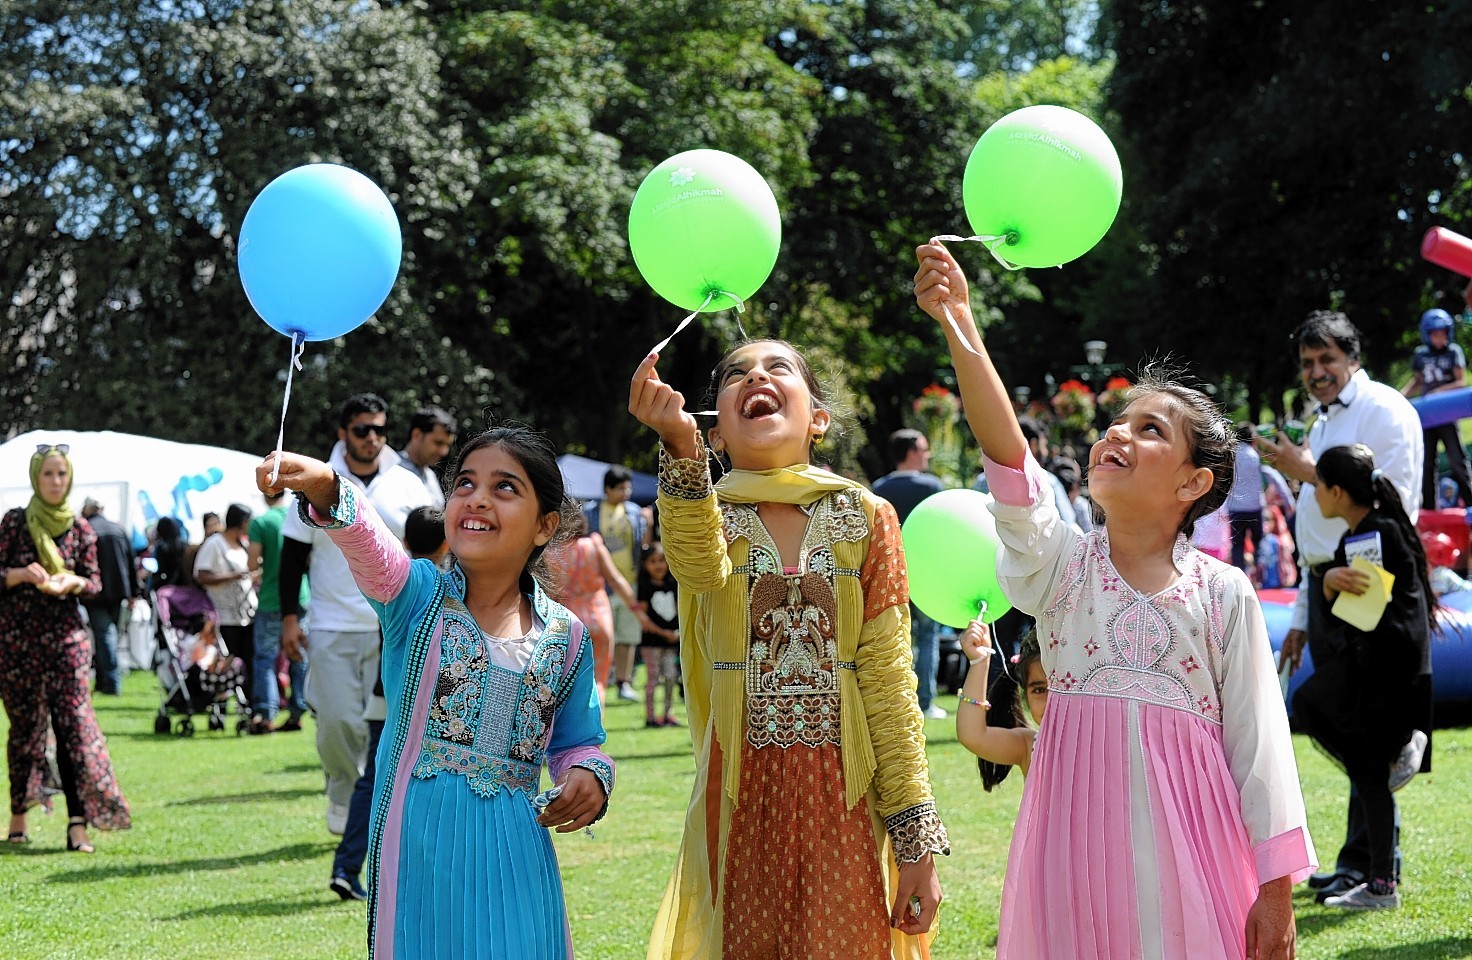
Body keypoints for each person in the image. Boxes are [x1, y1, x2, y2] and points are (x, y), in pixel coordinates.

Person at [915, 241, 1313, 960]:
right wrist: (960, 325)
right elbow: (1010, 458)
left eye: (1149, 429)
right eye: (1118, 420)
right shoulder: (1063, 567)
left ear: (1193, 484)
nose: (1116, 432)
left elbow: (1260, 746)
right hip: (1071, 855)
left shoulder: (1225, 594)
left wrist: (1276, 889)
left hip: (1197, 855)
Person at [630, 339, 948, 958]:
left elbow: (887, 679)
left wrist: (916, 840)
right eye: (736, 375)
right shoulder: (701, 507)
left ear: (818, 418)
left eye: (777, 368)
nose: (756, 378)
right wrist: (676, 448)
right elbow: (696, 566)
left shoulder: (868, 515)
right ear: (714, 430)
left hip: (847, 792)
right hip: (740, 788)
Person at [257, 424, 614, 960]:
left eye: (505, 487)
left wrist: (589, 774)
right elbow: (370, 545)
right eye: (465, 484)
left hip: (519, 851)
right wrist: (330, 486)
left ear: (545, 526)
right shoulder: (417, 597)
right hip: (420, 847)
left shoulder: (567, 638)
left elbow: (578, 741)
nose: (477, 499)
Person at [1259, 309, 1423, 903]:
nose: (1316, 372)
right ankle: (1359, 863)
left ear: (1353, 357)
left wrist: (1302, 470)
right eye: (1307, 363)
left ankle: (1379, 863)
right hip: (1330, 584)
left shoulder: (1384, 410)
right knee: (1352, 721)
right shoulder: (1324, 421)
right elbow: (1317, 527)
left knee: (1364, 724)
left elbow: (1393, 504)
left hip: (1368, 586)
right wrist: (1305, 614)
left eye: (1327, 359)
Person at [278, 393, 433, 838]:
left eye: (380, 430)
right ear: (343, 433)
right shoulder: (317, 481)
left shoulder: (409, 481)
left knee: (396, 727)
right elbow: (292, 557)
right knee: (338, 721)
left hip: (398, 624)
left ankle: (378, 808)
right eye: (362, 429)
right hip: (332, 622)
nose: (373, 438)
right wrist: (290, 618)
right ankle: (343, 787)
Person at [1293, 444, 1433, 910]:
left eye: (1316, 486)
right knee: (1366, 769)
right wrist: (1330, 580)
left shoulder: (1368, 538)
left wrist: (1330, 582)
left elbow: (1363, 613)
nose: (1312, 495)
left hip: (1385, 672)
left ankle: (1380, 886)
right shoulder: (1369, 534)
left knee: (1326, 718)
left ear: (1335, 491)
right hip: (1388, 667)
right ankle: (1379, 884)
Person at [0, 444, 130, 851]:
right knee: (24, 731)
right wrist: (20, 574)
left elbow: (95, 584)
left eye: (62, 475)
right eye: (48, 475)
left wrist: (73, 583)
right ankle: (18, 816)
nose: (56, 482)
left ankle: (78, 825)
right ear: (36, 477)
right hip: (18, 643)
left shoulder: (81, 528)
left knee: (72, 729)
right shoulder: (15, 524)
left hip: (66, 643)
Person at [330, 505, 448, 903]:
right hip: (412, 710)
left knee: (373, 786)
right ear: (448, 542)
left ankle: (348, 867)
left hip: (385, 703)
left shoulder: (397, 581)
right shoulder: (431, 587)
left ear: (406, 542)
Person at [872, 428, 949, 719]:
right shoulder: (932, 487)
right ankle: (925, 703)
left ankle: (896, 702)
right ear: (912, 452)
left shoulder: (879, 487)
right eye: (924, 449)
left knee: (896, 637)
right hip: (926, 573)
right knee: (927, 637)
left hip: (891, 573)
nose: (927, 454)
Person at [544, 511, 644, 712]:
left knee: (566, 685)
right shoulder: (594, 546)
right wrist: (636, 608)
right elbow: (615, 579)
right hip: (599, 618)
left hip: (568, 623)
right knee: (599, 681)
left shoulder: (551, 553)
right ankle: (595, 736)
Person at [582, 466, 648, 701]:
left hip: (630, 583)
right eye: (621, 488)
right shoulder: (590, 511)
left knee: (627, 636)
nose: (626, 492)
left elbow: (644, 546)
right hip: (599, 586)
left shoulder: (635, 512)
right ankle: (598, 679)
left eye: (628, 487)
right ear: (607, 489)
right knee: (600, 636)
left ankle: (624, 682)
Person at [247, 490, 310, 734]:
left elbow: (252, 564)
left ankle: (266, 713)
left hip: (272, 599)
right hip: (301, 596)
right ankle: (298, 711)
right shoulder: (298, 517)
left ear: (264, 495)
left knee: (265, 658)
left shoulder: (261, 522)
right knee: (299, 655)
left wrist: (264, 566)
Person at [955, 622, 1045, 791]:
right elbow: (973, 736)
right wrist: (979, 662)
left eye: (1064, 687)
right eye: (1040, 690)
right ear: (1025, 695)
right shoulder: (1029, 746)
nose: (1053, 701)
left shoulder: (1108, 741)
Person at [1402, 307, 1472, 509]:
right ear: (1427, 334)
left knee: (1457, 459)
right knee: (1426, 462)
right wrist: (1400, 397)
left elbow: (1461, 382)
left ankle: (1470, 502)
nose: (1439, 338)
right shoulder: (1421, 355)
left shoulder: (1453, 351)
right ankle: (1430, 507)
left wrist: (1437, 393)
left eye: (1442, 333)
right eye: (1435, 334)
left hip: (1447, 414)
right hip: (1427, 417)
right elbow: (1417, 381)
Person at [194, 503, 258, 706]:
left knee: (248, 661)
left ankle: (248, 704)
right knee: (226, 661)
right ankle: (221, 705)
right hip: (224, 615)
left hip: (247, 614)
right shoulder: (215, 544)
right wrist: (232, 576)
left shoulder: (243, 544)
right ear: (243, 522)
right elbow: (201, 575)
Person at [80, 498, 140, 696]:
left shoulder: (87, 529)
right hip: (119, 591)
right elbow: (131, 563)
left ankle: (111, 683)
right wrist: (134, 592)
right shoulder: (118, 529)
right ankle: (104, 681)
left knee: (104, 635)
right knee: (107, 635)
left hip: (95, 593)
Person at [636, 542, 680, 728]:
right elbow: (644, 618)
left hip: (671, 641)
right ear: (645, 564)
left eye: (662, 561)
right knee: (653, 678)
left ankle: (668, 713)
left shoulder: (673, 584)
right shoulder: (644, 587)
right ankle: (651, 716)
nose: (659, 565)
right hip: (652, 642)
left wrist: (677, 633)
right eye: (653, 561)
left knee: (671, 677)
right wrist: (664, 633)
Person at [399, 405, 457, 509]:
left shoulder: (430, 476)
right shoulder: (387, 470)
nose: (444, 452)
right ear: (416, 435)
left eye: (447, 445)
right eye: (438, 443)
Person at [1228, 422, 1265, 574]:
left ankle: (1240, 575)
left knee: (1237, 544)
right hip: (1255, 505)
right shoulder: (1254, 455)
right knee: (1258, 542)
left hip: (1235, 507)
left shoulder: (1231, 455)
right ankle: (1260, 575)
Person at [148, 515, 188, 591]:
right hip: (183, 583)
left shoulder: (160, 547)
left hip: (166, 585)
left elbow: (160, 569)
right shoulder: (184, 545)